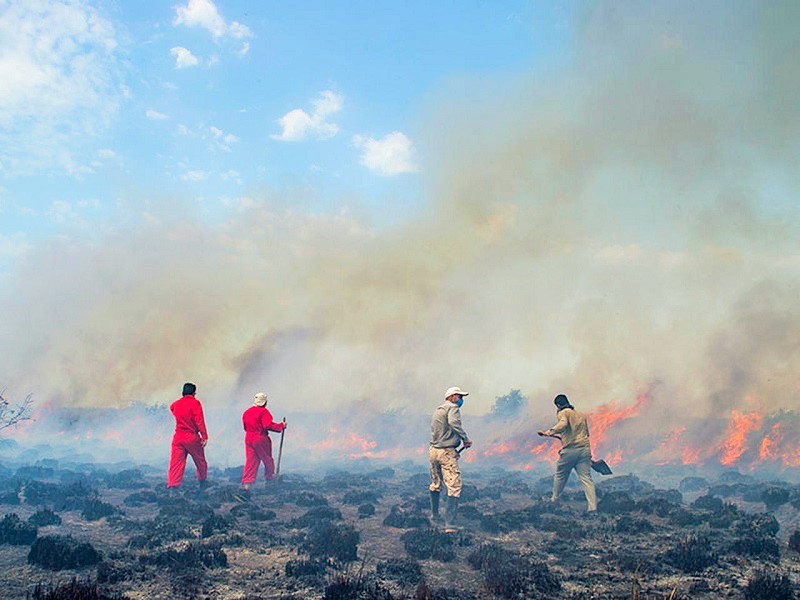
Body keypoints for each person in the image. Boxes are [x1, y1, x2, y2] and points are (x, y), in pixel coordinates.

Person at [538, 393, 597, 512]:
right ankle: (593, 508)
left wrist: (548, 432)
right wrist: (551, 435)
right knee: (586, 479)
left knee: (560, 475)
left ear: (558, 405)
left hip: (571, 450)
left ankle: (554, 500)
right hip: (584, 449)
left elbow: (563, 424)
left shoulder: (564, 412)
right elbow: (581, 434)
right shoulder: (580, 415)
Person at [429, 386, 473, 532]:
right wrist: (465, 439)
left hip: (434, 451)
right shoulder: (452, 408)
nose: (461, 400)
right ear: (453, 397)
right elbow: (454, 423)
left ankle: (435, 516)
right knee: (454, 486)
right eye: (460, 397)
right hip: (446, 453)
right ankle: (450, 525)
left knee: (436, 483)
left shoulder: (438, 410)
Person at [167, 382, 209, 490]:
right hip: (191, 437)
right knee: (200, 461)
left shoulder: (176, 404)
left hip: (178, 437)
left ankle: (173, 487)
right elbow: (199, 421)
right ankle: (202, 482)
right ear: (194, 393)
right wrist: (204, 436)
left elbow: (172, 408)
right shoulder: (195, 403)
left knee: (176, 463)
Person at [241, 392, 286, 489]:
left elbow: (245, 427)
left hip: (248, 438)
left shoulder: (246, 412)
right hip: (260, 438)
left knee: (250, 462)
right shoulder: (264, 412)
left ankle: (247, 486)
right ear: (265, 403)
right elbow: (267, 425)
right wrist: (281, 426)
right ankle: (269, 482)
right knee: (267, 460)